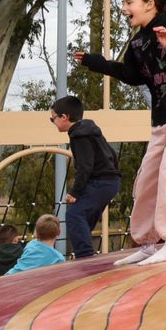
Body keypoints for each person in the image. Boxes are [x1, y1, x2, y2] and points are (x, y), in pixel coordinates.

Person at [77, 0, 166, 267]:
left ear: (149, 4)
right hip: (163, 116)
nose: (124, 8)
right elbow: (133, 75)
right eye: (124, 2)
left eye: (129, 2)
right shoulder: (138, 40)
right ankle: (149, 242)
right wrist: (95, 62)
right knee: (148, 179)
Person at [53, 95, 119, 258]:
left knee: (74, 214)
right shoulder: (91, 130)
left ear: (64, 117)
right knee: (84, 218)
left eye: (52, 118)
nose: (52, 122)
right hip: (111, 182)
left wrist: (75, 192)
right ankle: (86, 253)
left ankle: (85, 257)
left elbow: (84, 166)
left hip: (100, 182)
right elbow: (112, 154)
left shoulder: (78, 135)